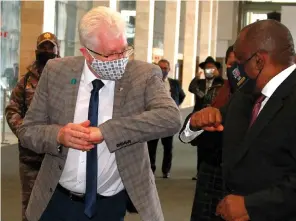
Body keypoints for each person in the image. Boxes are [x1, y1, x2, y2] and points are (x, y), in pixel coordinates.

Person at [18, 6, 181, 221]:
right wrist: (58, 135)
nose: (120, 59)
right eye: (110, 54)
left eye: (124, 49)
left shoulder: (143, 75)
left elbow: (171, 118)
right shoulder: (56, 72)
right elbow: (28, 130)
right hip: (56, 199)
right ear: (86, 53)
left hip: (109, 205)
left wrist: (106, 132)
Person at [181, 19, 296, 221]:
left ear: (258, 61)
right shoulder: (244, 95)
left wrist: (251, 206)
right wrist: (194, 125)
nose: (234, 69)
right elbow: (216, 141)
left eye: (239, 61)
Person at [5, 32, 60, 221]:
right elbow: (12, 110)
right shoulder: (25, 81)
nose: (46, 51)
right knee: (30, 208)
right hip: (31, 158)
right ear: (37, 50)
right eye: (43, 47)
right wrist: (25, 133)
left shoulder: (65, 79)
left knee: (57, 206)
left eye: (50, 47)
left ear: (57, 50)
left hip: (58, 155)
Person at [189, 56, 230, 180]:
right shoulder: (200, 83)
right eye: (207, 69)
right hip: (199, 115)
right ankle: (199, 171)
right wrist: (197, 77)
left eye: (212, 68)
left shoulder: (221, 83)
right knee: (200, 147)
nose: (209, 71)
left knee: (211, 146)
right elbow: (191, 88)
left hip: (213, 117)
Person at [147, 59, 185, 178]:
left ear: (169, 69)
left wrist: (175, 106)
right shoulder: (150, 82)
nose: (163, 70)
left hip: (169, 119)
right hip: (154, 118)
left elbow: (182, 95)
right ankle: (150, 169)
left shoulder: (174, 83)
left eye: (165, 68)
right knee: (151, 147)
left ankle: (166, 170)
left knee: (168, 147)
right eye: (161, 68)